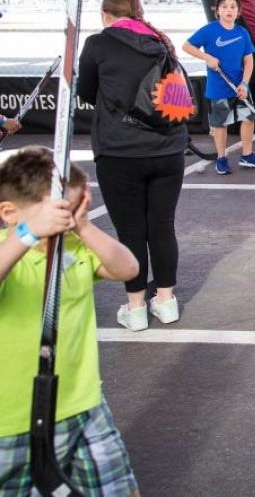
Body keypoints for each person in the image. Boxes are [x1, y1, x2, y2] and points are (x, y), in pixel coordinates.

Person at [0, 147, 141, 495]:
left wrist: (86, 227)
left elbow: (129, 269)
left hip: (82, 406)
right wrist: (29, 233)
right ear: (9, 213)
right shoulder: (8, 253)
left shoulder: (75, 249)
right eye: (56, 216)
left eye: (73, 211)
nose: (63, 226)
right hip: (8, 422)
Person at [79, 0, 190, 331]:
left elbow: (85, 92)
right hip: (168, 149)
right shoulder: (160, 42)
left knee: (130, 230)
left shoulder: (98, 44)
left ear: (105, 14)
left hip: (119, 150)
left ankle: (136, 307)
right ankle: (166, 302)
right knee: (162, 225)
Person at [182, 0, 255, 175]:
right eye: (224, 7)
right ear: (218, 11)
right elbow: (187, 46)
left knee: (248, 119)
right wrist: (207, 58)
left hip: (240, 86)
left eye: (232, 7)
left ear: (238, 11)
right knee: (220, 124)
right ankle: (221, 159)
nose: (228, 10)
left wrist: (245, 83)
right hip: (219, 87)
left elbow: (249, 61)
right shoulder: (209, 30)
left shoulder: (242, 33)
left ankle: (247, 155)